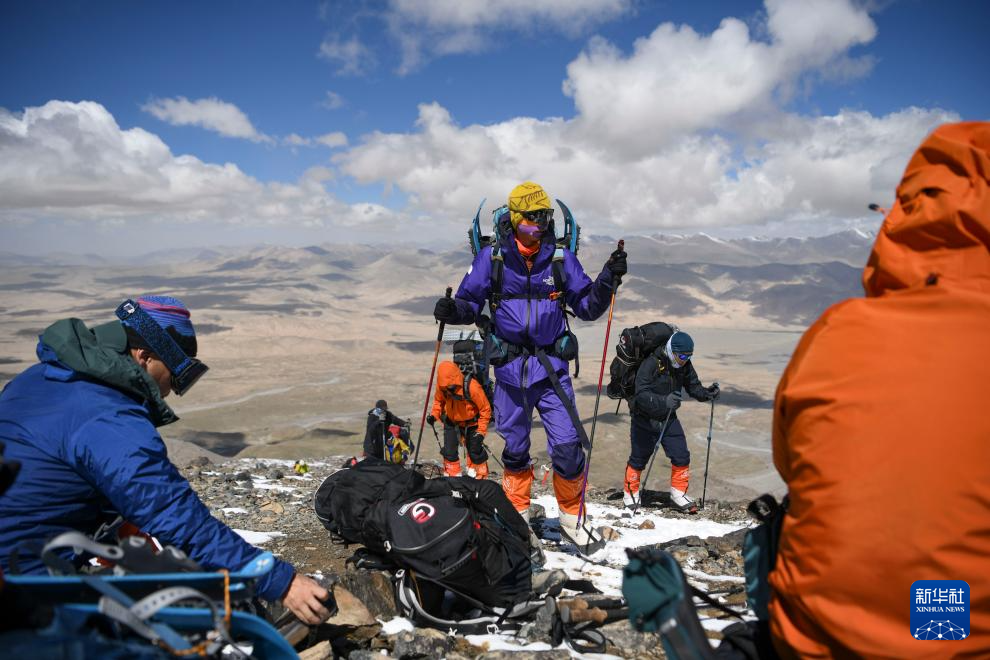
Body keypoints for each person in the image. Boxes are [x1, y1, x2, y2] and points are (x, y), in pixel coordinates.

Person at [768, 122, 990, 657]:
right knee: (938, 615)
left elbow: (789, 459)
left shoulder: (836, 330)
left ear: (901, 217)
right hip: (958, 644)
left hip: (813, 640)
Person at [0, 296, 331, 625]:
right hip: (24, 579)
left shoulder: (40, 378)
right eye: (175, 376)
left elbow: (51, 480)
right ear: (144, 355)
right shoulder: (108, 414)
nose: (171, 391)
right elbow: (172, 513)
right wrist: (280, 582)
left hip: (22, 557)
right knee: (192, 623)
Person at [433, 181, 626, 550]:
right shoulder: (492, 259)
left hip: (551, 369)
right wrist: (452, 311)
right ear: (516, 218)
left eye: (544, 218)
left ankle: (572, 520)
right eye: (532, 219)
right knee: (516, 449)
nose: (539, 225)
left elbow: (587, 306)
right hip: (508, 371)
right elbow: (470, 304)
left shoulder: (559, 259)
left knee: (569, 446)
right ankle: (517, 518)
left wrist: (607, 280)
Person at [626, 329, 719, 513]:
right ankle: (630, 493)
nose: (684, 360)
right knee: (639, 458)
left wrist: (708, 394)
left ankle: (678, 494)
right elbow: (641, 393)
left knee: (681, 455)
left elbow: (693, 387)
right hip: (643, 417)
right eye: (682, 355)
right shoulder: (651, 363)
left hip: (668, 418)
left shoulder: (684, 365)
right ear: (671, 350)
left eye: (688, 356)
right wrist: (664, 401)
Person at [427, 359, 493, 478]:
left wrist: (481, 432)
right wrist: (434, 415)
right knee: (449, 452)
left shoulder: (472, 386)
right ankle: (453, 479)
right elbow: (438, 401)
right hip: (452, 421)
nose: (448, 389)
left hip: (472, 423)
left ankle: (479, 478)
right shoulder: (442, 386)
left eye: (450, 386)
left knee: (475, 451)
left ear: (456, 378)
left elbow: (485, 409)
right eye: (445, 386)